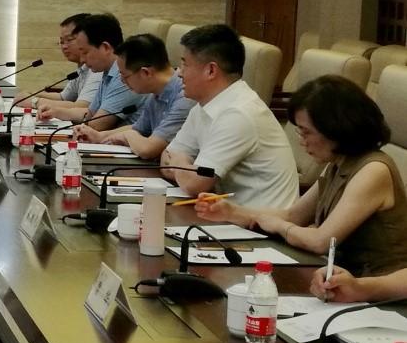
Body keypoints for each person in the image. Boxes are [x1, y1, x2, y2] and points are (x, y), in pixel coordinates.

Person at [192, 75, 407, 275]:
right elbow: (294, 216)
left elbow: (321, 241)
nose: (302, 141)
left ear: (336, 128)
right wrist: (232, 212)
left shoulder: (373, 170)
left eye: (307, 132)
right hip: (338, 279)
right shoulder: (338, 163)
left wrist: (279, 226)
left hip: (376, 289)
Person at [161, 24, 298, 208]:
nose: (179, 72)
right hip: (225, 214)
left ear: (211, 70)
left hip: (260, 222)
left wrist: (179, 161)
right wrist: (184, 167)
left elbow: (194, 184)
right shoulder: (204, 105)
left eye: (185, 64)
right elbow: (165, 161)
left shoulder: (239, 113)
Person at [73, 33, 194, 160]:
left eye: (125, 76)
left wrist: (127, 135)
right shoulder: (156, 92)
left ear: (145, 73)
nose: (122, 81)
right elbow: (138, 129)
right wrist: (100, 137)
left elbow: (148, 149)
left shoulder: (185, 96)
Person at [39, 13, 142, 130]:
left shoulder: (123, 76)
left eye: (85, 52)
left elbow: (97, 124)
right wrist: (57, 112)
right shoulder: (107, 72)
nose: (82, 59)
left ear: (105, 47)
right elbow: (90, 113)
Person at [21, 13, 100, 111]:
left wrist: (34, 101)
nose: (64, 46)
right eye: (62, 42)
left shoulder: (98, 69)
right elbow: (63, 97)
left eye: (69, 40)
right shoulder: (82, 68)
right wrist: (32, 94)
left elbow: (83, 107)